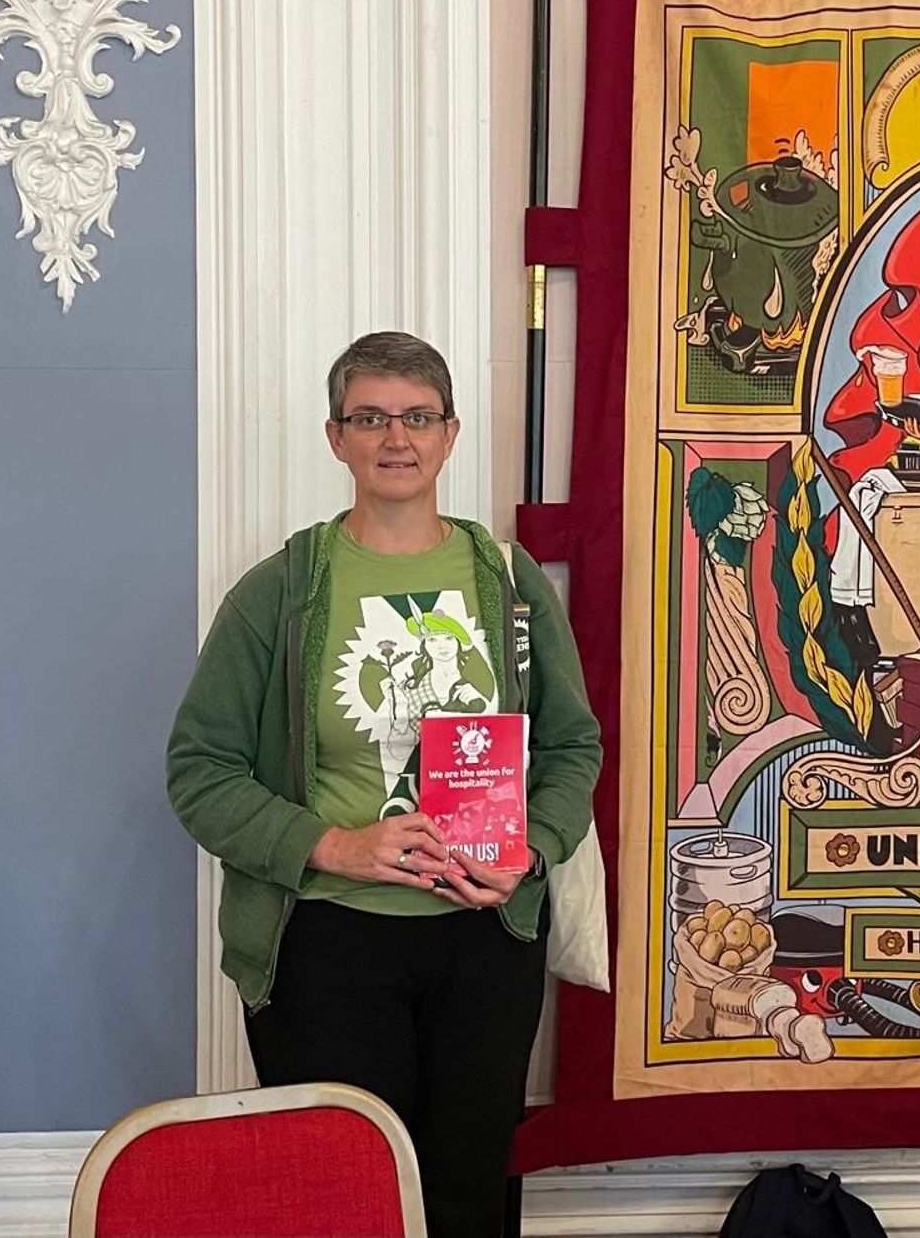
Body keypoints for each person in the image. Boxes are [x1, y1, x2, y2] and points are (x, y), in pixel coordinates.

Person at [166, 331, 602, 1237]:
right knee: (342, 1196)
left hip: (485, 940)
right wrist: (334, 846)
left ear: (450, 434)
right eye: (370, 417)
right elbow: (199, 771)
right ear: (335, 437)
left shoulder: (512, 586)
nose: (394, 438)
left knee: (471, 1194)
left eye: (416, 417)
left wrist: (531, 850)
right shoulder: (279, 593)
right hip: (326, 942)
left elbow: (572, 747)